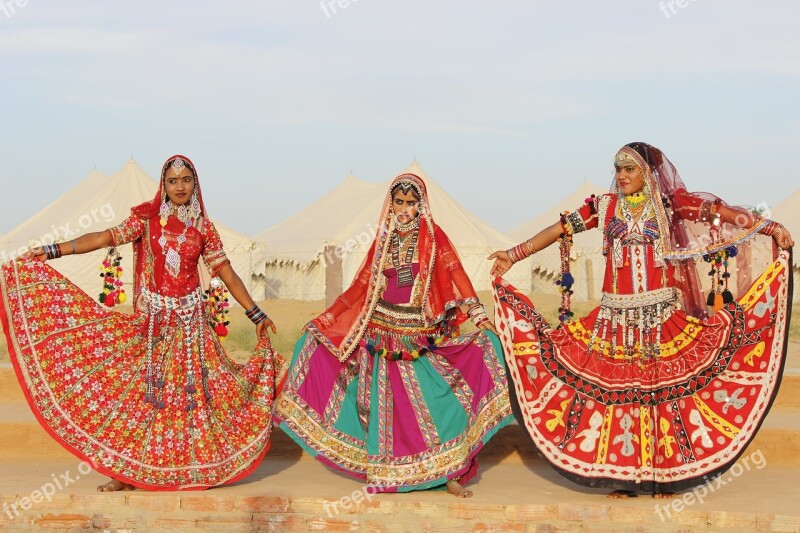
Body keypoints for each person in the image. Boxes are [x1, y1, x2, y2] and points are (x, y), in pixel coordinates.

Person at [489, 142, 794, 498]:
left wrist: (768, 226)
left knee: (662, 398)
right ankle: (625, 480)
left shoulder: (669, 206)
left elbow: (721, 212)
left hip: (662, 319)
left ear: (647, 173)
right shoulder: (603, 207)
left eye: (629, 169)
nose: (621, 176)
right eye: (618, 169)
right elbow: (559, 231)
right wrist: (513, 254)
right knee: (622, 400)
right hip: (613, 322)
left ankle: (665, 478)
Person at [0, 155, 285, 491]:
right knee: (141, 398)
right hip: (153, 328)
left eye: (186, 180)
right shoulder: (147, 221)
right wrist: (51, 250)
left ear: (196, 184)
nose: (180, 187)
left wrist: (256, 313)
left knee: (192, 401)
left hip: (192, 330)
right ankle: (125, 474)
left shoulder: (203, 228)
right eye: (173, 181)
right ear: (162, 186)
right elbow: (104, 238)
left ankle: (190, 467)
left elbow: (227, 274)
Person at [275, 173, 513, 498]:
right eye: (398, 202)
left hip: (416, 333)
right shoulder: (383, 239)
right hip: (379, 333)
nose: (404, 208)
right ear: (391, 204)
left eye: (411, 203)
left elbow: (455, 271)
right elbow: (361, 285)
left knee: (432, 401)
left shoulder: (433, 236)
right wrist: (326, 318)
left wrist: (478, 315)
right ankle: (388, 472)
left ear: (421, 204)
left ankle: (450, 471)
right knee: (386, 407)